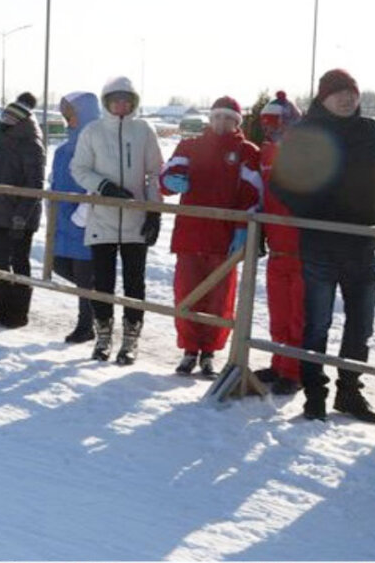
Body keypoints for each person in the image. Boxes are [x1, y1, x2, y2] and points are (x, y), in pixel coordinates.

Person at [271, 69, 375, 423]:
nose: (347, 98)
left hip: (361, 243)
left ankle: (349, 393)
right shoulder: (305, 133)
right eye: (338, 93)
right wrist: (315, 209)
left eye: (350, 92)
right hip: (320, 242)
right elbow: (281, 182)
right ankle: (315, 396)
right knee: (317, 323)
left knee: (361, 325)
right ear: (323, 98)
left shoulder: (372, 131)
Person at [160, 96, 261, 378]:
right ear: (210, 118)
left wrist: (242, 226)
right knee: (187, 294)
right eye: (217, 117)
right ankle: (189, 350)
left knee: (219, 299)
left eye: (229, 118)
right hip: (190, 235)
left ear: (236, 122)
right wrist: (170, 180)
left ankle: (209, 353)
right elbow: (168, 174)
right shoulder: (189, 146)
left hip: (224, 240)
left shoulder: (247, 152)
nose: (221, 123)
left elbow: (253, 194)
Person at [70, 76, 164, 365]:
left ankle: (131, 341)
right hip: (103, 219)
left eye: (126, 101)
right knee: (103, 283)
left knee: (135, 282)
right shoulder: (93, 131)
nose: (121, 106)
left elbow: (154, 173)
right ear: (106, 103)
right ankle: (103, 338)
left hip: (135, 219)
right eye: (115, 101)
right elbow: (79, 168)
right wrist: (104, 186)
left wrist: (154, 211)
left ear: (133, 103)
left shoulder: (144, 130)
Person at [253, 95, 304, 395]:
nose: (274, 131)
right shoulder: (265, 153)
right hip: (277, 248)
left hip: (302, 250)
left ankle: (294, 371)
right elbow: (259, 196)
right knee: (279, 312)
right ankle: (279, 362)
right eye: (268, 125)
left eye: (280, 124)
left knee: (298, 314)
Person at [0, 98, 45, 328]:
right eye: (4, 117)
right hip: (0, 212)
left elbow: (35, 184)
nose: (4, 122)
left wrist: (22, 215)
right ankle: (3, 308)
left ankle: (18, 313)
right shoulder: (5, 142)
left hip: (21, 216)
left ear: (20, 121)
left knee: (18, 262)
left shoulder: (31, 144)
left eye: (9, 118)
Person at [50, 92, 101, 343]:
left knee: (83, 274)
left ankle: (86, 324)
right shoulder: (62, 151)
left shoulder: (96, 149)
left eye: (71, 115)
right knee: (58, 264)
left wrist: (82, 213)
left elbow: (96, 184)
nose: (67, 120)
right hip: (61, 220)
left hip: (84, 222)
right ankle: (98, 299)